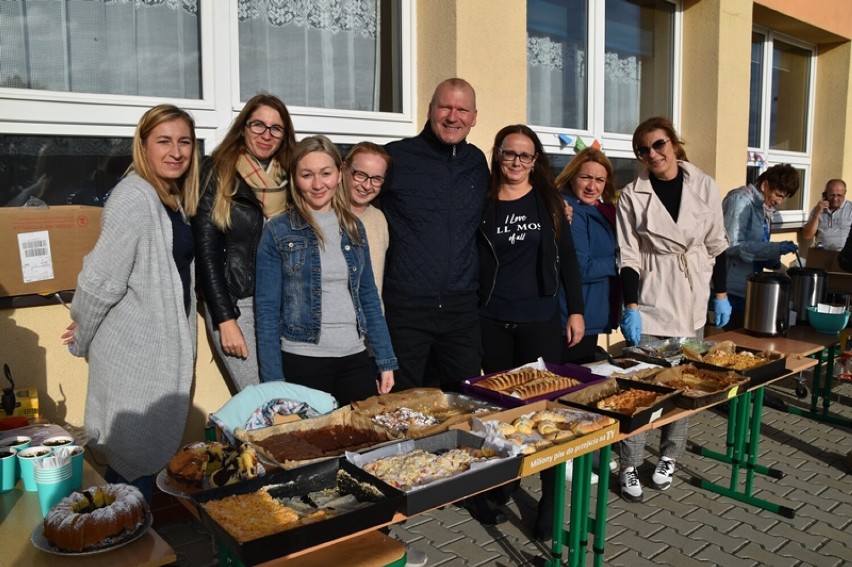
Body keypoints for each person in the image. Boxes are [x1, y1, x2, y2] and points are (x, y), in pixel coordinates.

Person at [60, 104, 200, 503]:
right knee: (134, 457)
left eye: (184, 142)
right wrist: (81, 334)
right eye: (164, 141)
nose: (175, 151)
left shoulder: (168, 196)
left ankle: (135, 538)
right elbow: (100, 282)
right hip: (135, 357)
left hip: (157, 353)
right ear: (143, 145)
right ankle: (126, 546)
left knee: (144, 460)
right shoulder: (135, 197)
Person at [477, 124, 585, 538]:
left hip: (540, 322)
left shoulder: (550, 203)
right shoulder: (482, 202)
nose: (517, 163)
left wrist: (575, 310)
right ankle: (503, 484)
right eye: (509, 154)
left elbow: (569, 260)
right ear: (497, 154)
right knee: (500, 414)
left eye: (525, 156)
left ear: (535, 161)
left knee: (546, 413)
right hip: (491, 321)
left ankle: (551, 499)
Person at [616, 116, 730, 503]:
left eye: (659, 145)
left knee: (685, 385)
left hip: (693, 293)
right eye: (644, 150)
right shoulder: (633, 194)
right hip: (652, 294)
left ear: (675, 144)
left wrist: (721, 295)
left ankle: (669, 456)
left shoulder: (704, 185)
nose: (653, 154)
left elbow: (718, 243)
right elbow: (628, 255)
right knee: (642, 387)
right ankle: (629, 460)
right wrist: (631, 306)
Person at [255, 135, 396, 405]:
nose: (318, 184)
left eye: (326, 173)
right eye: (307, 175)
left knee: (363, 442)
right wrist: (273, 380)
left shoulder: (354, 228)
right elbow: (267, 310)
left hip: (354, 360)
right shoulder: (277, 230)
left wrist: (385, 359)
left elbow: (368, 296)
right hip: (302, 362)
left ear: (340, 173)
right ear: (295, 178)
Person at [380, 78, 490, 393]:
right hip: (407, 306)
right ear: (430, 110)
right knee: (404, 402)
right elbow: (355, 206)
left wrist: (556, 206)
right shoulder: (396, 158)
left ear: (474, 117)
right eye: (445, 107)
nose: (452, 117)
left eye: (462, 110)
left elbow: (507, 196)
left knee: (466, 397)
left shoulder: (477, 163)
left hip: (461, 308)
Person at [192, 94, 296, 392]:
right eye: (258, 125)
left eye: (276, 128)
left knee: (288, 398)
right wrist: (225, 319)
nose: (267, 135)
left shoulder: (290, 177)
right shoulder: (217, 171)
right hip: (240, 302)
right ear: (243, 127)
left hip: (282, 303)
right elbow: (206, 252)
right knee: (260, 399)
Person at [556, 148, 619, 364]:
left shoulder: (601, 210)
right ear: (572, 176)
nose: (592, 186)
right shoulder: (570, 211)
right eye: (586, 178)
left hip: (593, 311)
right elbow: (582, 267)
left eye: (600, 180)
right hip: (574, 317)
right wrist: (620, 262)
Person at [722, 164, 800, 329]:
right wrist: (774, 249)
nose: (779, 201)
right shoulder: (740, 201)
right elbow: (730, 245)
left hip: (750, 287)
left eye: (783, 197)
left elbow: (758, 244)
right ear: (764, 186)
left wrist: (772, 259)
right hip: (730, 290)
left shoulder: (763, 209)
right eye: (778, 195)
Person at [343, 142, 391, 298]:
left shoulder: (379, 219)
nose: (367, 186)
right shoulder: (325, 214)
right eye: (360, 175)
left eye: (376, 179)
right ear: (344, 169)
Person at [802, 179, 851, 251]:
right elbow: (807, 235)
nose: (835, 199)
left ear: (845, 193)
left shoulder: (850, 209)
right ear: (825, 194)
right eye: (832, 195)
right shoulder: (818, 209)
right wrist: (817, 213)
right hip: (823, 254)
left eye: (839, 195)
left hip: (845, 255)